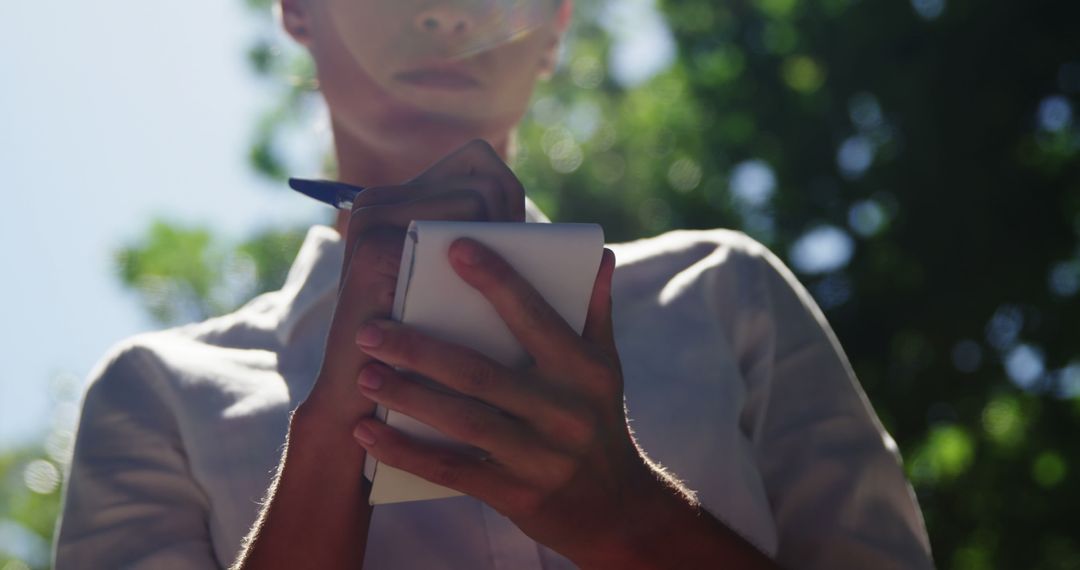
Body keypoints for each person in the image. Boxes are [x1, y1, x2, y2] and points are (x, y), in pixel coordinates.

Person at [54, 0, 934, 568]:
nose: (446, 12)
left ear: (557, 26)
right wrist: (328, 443)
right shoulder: (154, 397)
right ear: (296, 9)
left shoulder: (728, 298)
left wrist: (629, 519)